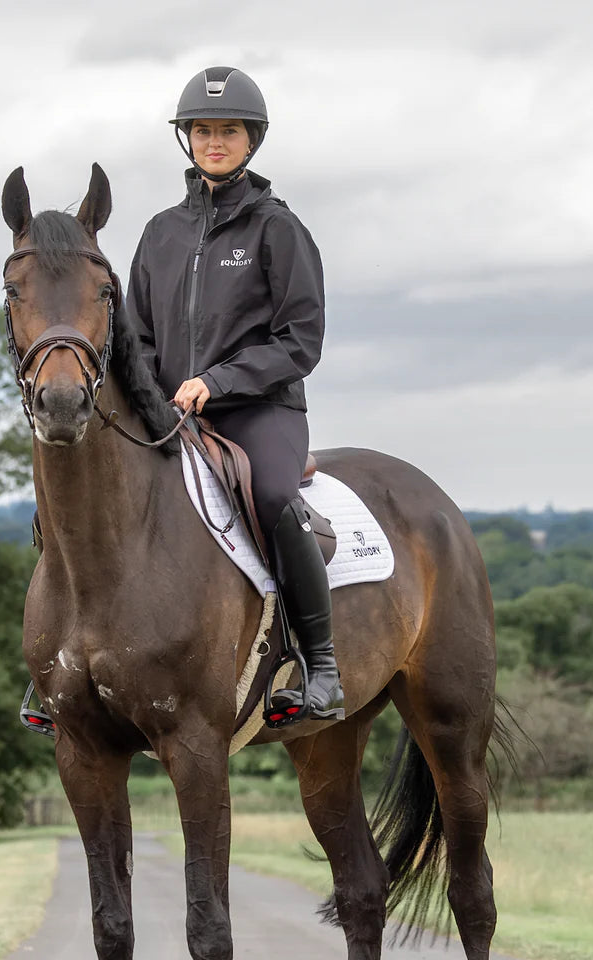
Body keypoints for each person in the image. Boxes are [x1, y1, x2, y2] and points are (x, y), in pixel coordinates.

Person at [126, 66, 344, 725]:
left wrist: (218, 381)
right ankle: (64, 664)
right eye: (202, 130)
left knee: (275, 497)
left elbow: (300, 341)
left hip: (260, 410)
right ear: (186, 140)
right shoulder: (160, 233)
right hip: (168, 415)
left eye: (228, 131)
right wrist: (149, 395)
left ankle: (321, 663)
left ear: (252, 140)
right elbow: (132, 332)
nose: (213, 141)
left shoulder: (278, 230)